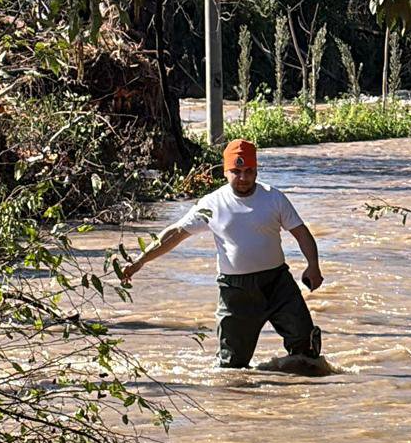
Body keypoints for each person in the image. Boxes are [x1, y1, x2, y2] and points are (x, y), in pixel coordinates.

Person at [120, 139, 324, 369]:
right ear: (225, 172)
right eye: (236, 172)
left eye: (249, 171)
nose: (243, 178)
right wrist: (140, 261)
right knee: (232, 369)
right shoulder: (212, 204)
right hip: (236, 291)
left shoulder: (273, 198)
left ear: (256, 170)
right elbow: (175, 233)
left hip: (278, 284)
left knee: (307, 353)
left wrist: (313, 265)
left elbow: (301, 232)